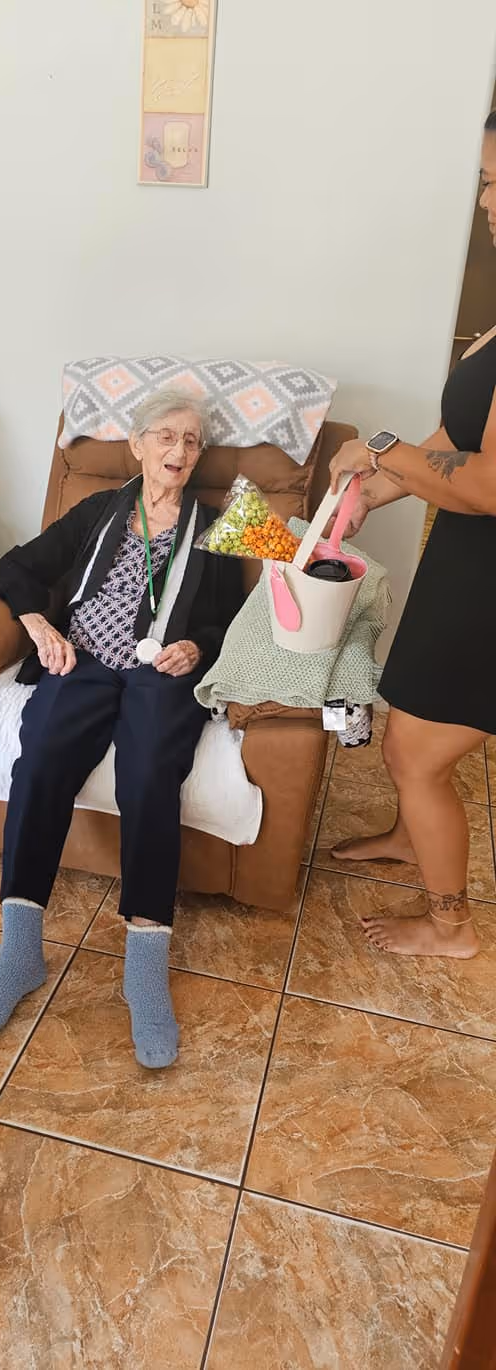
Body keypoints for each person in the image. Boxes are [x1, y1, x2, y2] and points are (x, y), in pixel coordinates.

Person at [0, 388, 243, 1066]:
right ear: (137, 445)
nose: (179, 450)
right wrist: (39, 626)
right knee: (41, 760)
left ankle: (144, 973)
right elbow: (15, 568)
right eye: (166, 436)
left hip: (160, 672)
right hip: (80, 659)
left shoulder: (218, 525)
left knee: (149, 774)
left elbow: (231, 618)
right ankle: (20, 954)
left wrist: (196, 647)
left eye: (192, 441)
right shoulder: (99, 509)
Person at [327, 109, 496, 961]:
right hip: (464, 563)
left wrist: (380, 447)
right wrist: (374, 490)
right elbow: (451, 445)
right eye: (485, 182)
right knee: (415, 724)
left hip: (488, 579)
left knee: (416, 751)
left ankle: (450, 925)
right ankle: (409, 834)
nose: (486, 202)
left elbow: (490, 483)